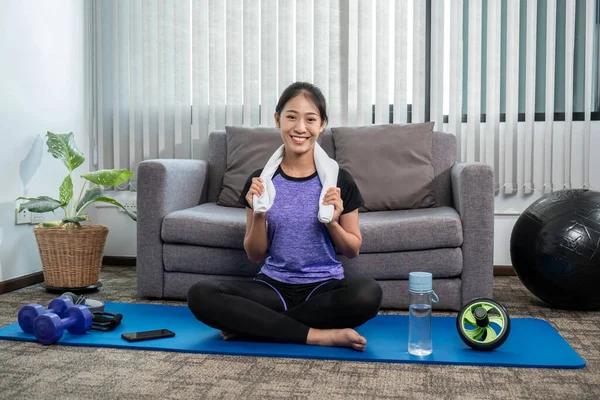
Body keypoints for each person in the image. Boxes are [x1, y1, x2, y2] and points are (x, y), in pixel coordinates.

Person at [187, 82, 382, 351]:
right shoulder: (260, 181)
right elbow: (255, 255)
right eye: (291, 117)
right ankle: (320, 335)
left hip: (323, 289)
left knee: (367, 294)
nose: (300, 128)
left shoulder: (339, 180)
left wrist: (333, 222)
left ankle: (257, 326)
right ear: (277, 119)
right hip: (273, 288)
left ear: (322, 124)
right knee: (201, 295)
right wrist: (259, 215)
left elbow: (352, 250)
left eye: (310, 119)